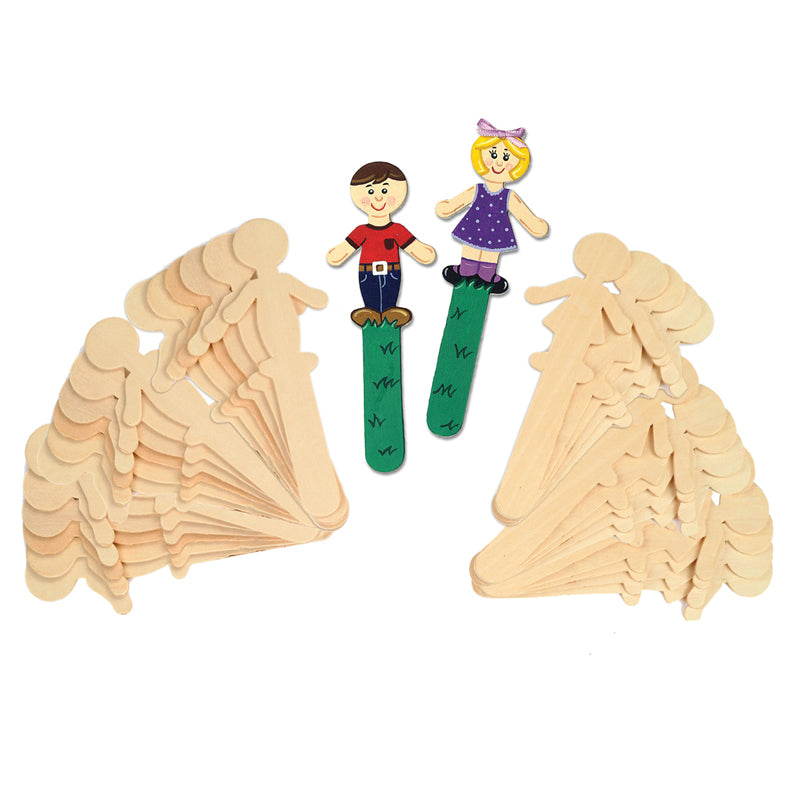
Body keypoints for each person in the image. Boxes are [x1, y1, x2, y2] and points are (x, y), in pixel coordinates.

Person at [435, 119, 549, 294]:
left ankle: (487, 277)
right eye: (493, 155)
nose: (499, 163)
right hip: (474, 229)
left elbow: (522, 213)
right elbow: (460, 201)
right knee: (470, 255)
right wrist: (448, 207)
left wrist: (534, 225)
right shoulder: (477, 190)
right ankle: (465, 271)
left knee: (489, 258)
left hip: (495, 233)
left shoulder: (508, 196)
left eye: (506, 158)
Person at [327, 161, 436, 326]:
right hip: (367, 272)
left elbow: (417, 250)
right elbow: (341, 252)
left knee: (389, 294)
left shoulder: (397, 230)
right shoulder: (361, 231)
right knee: (369, 293)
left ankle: (390, 311)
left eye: (385, 191)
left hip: (391, 271)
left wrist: (423, 252)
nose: (378, 198)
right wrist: (336, 254)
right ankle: (369, 311)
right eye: (370, 191)